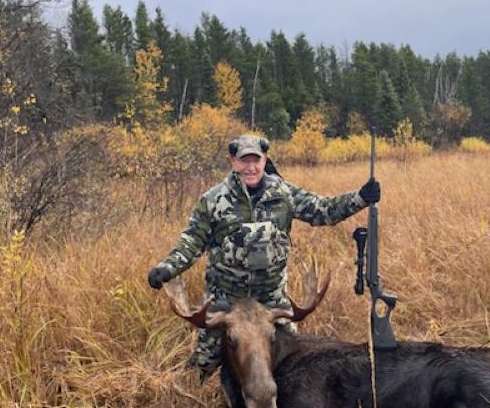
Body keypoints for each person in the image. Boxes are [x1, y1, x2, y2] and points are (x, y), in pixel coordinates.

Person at [147, 134, 380, 377]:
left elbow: (324, 210)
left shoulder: (284, 194)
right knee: (204, 366)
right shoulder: (213, 200)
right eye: (244, 161)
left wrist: (360, 198)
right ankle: (201, 407)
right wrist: (168, 267)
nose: (251, 167)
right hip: (226, 301)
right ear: (233, 162)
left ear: (264, 159)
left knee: (290, 365)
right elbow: (192, 240)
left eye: (255, 160)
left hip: (272, 303)